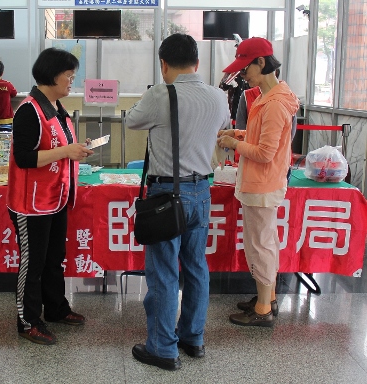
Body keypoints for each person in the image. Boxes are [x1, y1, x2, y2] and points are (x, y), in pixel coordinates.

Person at [125, 34, 230, 371]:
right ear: (197, 63)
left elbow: (132, 122)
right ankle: (193, 338)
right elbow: (220, 127)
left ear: (164, 64)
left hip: (166, 195)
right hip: (202, 191)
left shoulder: (160, 93)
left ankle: (162, 348)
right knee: (197, 267)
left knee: (165, 271)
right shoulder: (218, 96)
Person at [7, 47, 94, 345]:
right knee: (32, 264)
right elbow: (24, 158)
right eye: (69, 75)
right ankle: (28, 320)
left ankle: (56, 308)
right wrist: (66, 151)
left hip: (56, 199)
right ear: (52, 75)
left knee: (54, 259)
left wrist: (77, 150)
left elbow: (60, 150)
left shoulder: (57, 109)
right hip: (31, 204)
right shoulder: (29, 110)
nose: (72, 81)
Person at [217, 37, 300, 327]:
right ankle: (269, 296)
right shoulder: (265, 98)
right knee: (264, 243)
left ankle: (263, 309)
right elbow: (261, 139)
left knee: (260, 245)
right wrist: (238, 135)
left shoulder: (275, 104)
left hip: (262, 185)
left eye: (245, 67)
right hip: (260, 183)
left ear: (261, 63)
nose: (242, 74)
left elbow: (265, 153)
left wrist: (234, 144)